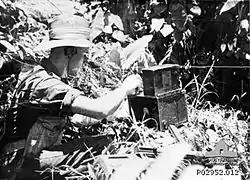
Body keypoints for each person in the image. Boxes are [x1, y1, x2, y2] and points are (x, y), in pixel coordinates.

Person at [0, 14, 142, 179]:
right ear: (70, 51)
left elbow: (79, 118)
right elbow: (100, 110)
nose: (84, 60)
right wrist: (125, 87)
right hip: (20, 164)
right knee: (104, 144)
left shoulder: (43, 75)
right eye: (83, 54)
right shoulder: (47, 84)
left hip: (19, 159)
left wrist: (116, 112)